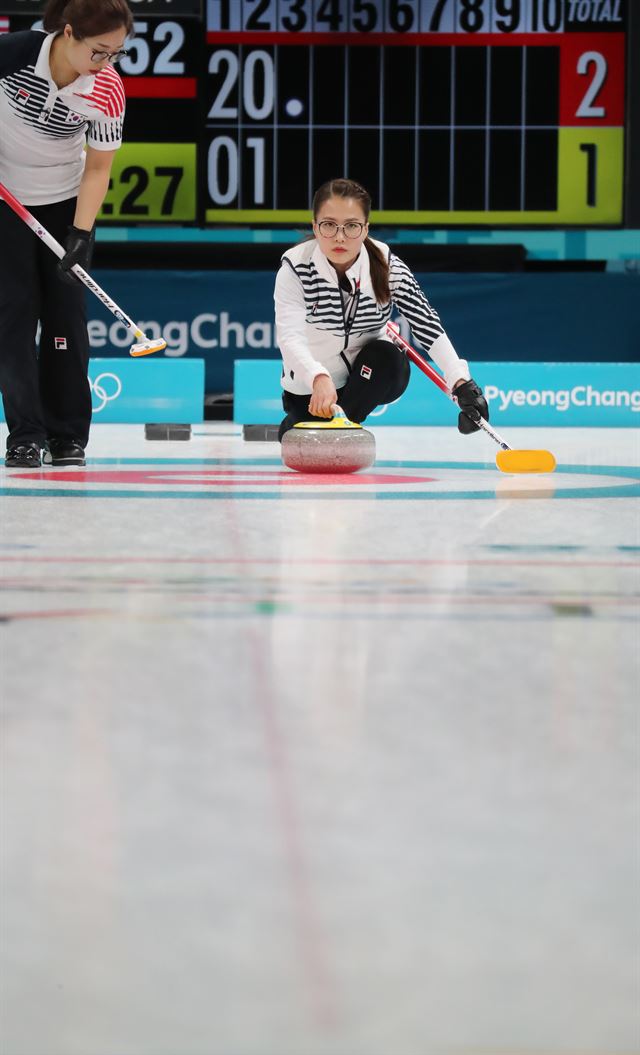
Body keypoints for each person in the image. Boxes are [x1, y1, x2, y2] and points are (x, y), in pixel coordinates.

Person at [0, 0, 133, 468]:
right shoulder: (11, 54)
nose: (107, 63)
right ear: (68, 33)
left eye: (116, 53)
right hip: (6, 201)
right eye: (100, 51)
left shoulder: (108, 89)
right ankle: (25, 435)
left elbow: (98, 169)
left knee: (65, 322)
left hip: (66, 204)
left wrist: (81, 233)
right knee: (12, 322)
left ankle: (68, 436)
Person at [274, 178, 489, 440]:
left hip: (362, 379)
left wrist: (462, 382)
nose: (340, 236)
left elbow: (426, 322)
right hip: (311, 387)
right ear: (315, 227)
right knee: (305, 423)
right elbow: (290, 338)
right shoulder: (295, 268)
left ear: (365, 229)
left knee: (390, 358)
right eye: (329, 225)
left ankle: (343, 424)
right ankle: (295, 423)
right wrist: (317, 376)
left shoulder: (387, 266)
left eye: (351, 226)